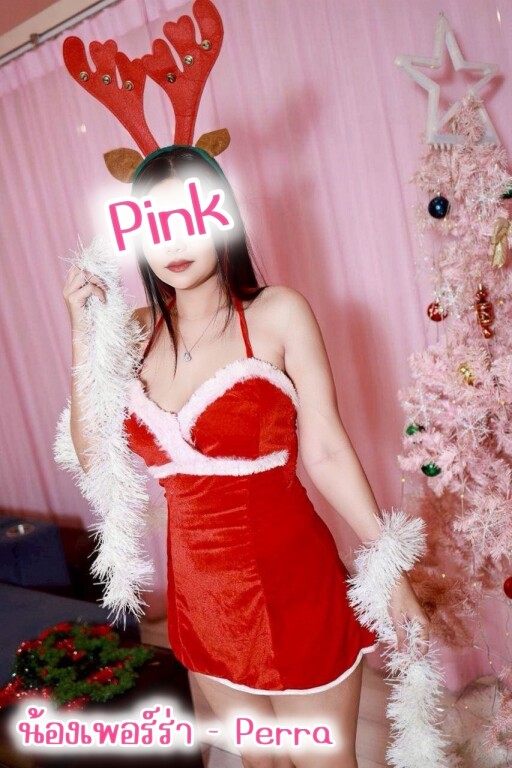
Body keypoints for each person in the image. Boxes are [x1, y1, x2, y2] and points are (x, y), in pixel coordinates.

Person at [62, 146, 430, 768]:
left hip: (293, 583)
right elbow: (96, 460)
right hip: (201, 599)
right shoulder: (130, 333)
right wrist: (84, 336)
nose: (175, 240)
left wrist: (389, 572)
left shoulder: (277, 312)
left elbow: (327, 450)